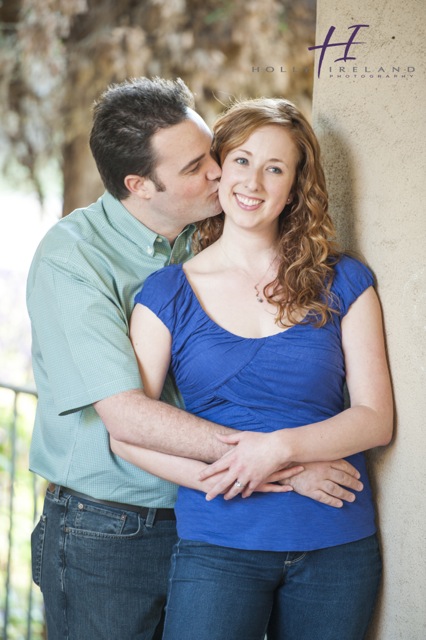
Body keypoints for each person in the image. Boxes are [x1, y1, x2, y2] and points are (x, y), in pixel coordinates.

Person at [27, 77, 364, 640]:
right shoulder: (73, 259)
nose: (218, 173)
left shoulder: (202, 234)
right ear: (140, 185)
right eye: (194, 169)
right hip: (109, 527)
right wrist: (283, 464)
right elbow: (126, 416)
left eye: (212, 153)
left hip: (208, 513)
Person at [111, 97, 393, 640]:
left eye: (275, 168)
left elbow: (375, 419)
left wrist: (277, 449)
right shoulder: (167, 293)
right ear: (217, 167)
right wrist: (263, 477)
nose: (254, 182)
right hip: (218, 545)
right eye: (241, 160)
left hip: (336, 545)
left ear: (296, 185)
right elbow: (128, 436)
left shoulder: (346, 280)